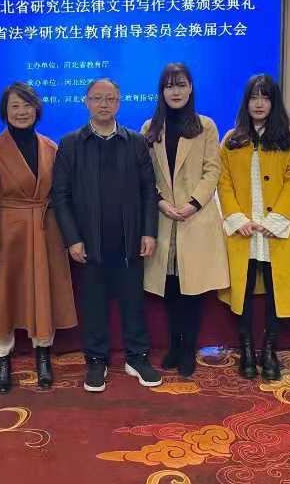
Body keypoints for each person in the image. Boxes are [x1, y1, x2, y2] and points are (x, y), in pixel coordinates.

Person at [52, 77, 162, 392]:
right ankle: (96, 360)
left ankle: (137, 357)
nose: (104, 104)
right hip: (89, 242)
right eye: (97, 98)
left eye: (110, 98)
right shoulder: (71, 143)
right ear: (86, 102)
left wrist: (149, 232)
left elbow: (148, 191)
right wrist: (72, 238)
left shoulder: (135, 142)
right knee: (94, 304)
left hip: (130, 239)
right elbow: (60, 196)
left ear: (119, 103)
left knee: (133, 302)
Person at [0, 83, 77, 394]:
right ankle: (2, 359)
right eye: (15, 106)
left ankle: (43, 355)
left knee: (44, 295)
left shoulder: (50, 147)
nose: (21, 112)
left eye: (27, 105)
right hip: (7, 234)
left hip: (46, 232)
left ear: (37, 109)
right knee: (2, 297)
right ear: (5, 111)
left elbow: (62, 194)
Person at [217, 74, 290, 382]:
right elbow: (223, 183)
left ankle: (269, 350)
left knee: (275, 291)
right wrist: (237, 219)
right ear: (246, 102)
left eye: (265, 97)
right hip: (244, 231)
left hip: (276, 231)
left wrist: (276, 220)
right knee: (242, 292)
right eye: (253, 97)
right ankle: (246, 349)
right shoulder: (232, 140)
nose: (259, 103)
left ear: (274, 102)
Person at [141, 63, 230, 377]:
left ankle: (188, 348)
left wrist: (192, 204)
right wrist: (162, 203)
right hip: (164, 217)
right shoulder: (150, 127)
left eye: (180, 85)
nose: (175, 91)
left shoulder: (206, 126)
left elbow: (212, 170)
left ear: (191, 88)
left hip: (196, 218)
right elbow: (145, 174)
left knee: (192, 289)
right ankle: (174, 346)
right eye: (169, 86)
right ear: (161, 91)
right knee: (170, 288)